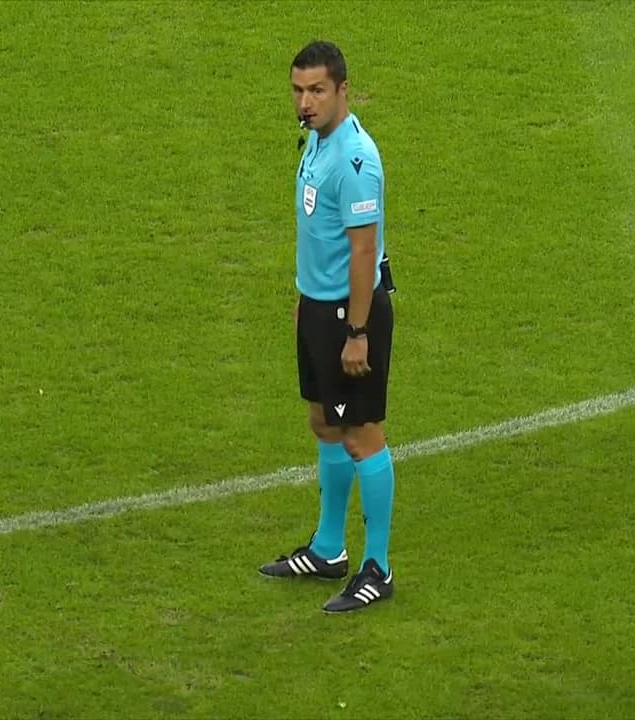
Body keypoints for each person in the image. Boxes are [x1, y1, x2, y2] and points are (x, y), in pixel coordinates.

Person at [258, 40, 398, 614]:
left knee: (361, 434)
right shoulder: (317, 142)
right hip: (318, 308)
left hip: (351, 313)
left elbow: (363, 254)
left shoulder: (355, 160)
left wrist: (357, 331)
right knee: (323, 422)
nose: (305, 102)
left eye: (316, 90)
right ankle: (328, 548)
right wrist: (303, 300)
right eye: (298, 90)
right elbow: (317, 236)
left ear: (343, 89)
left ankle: (379, 567)